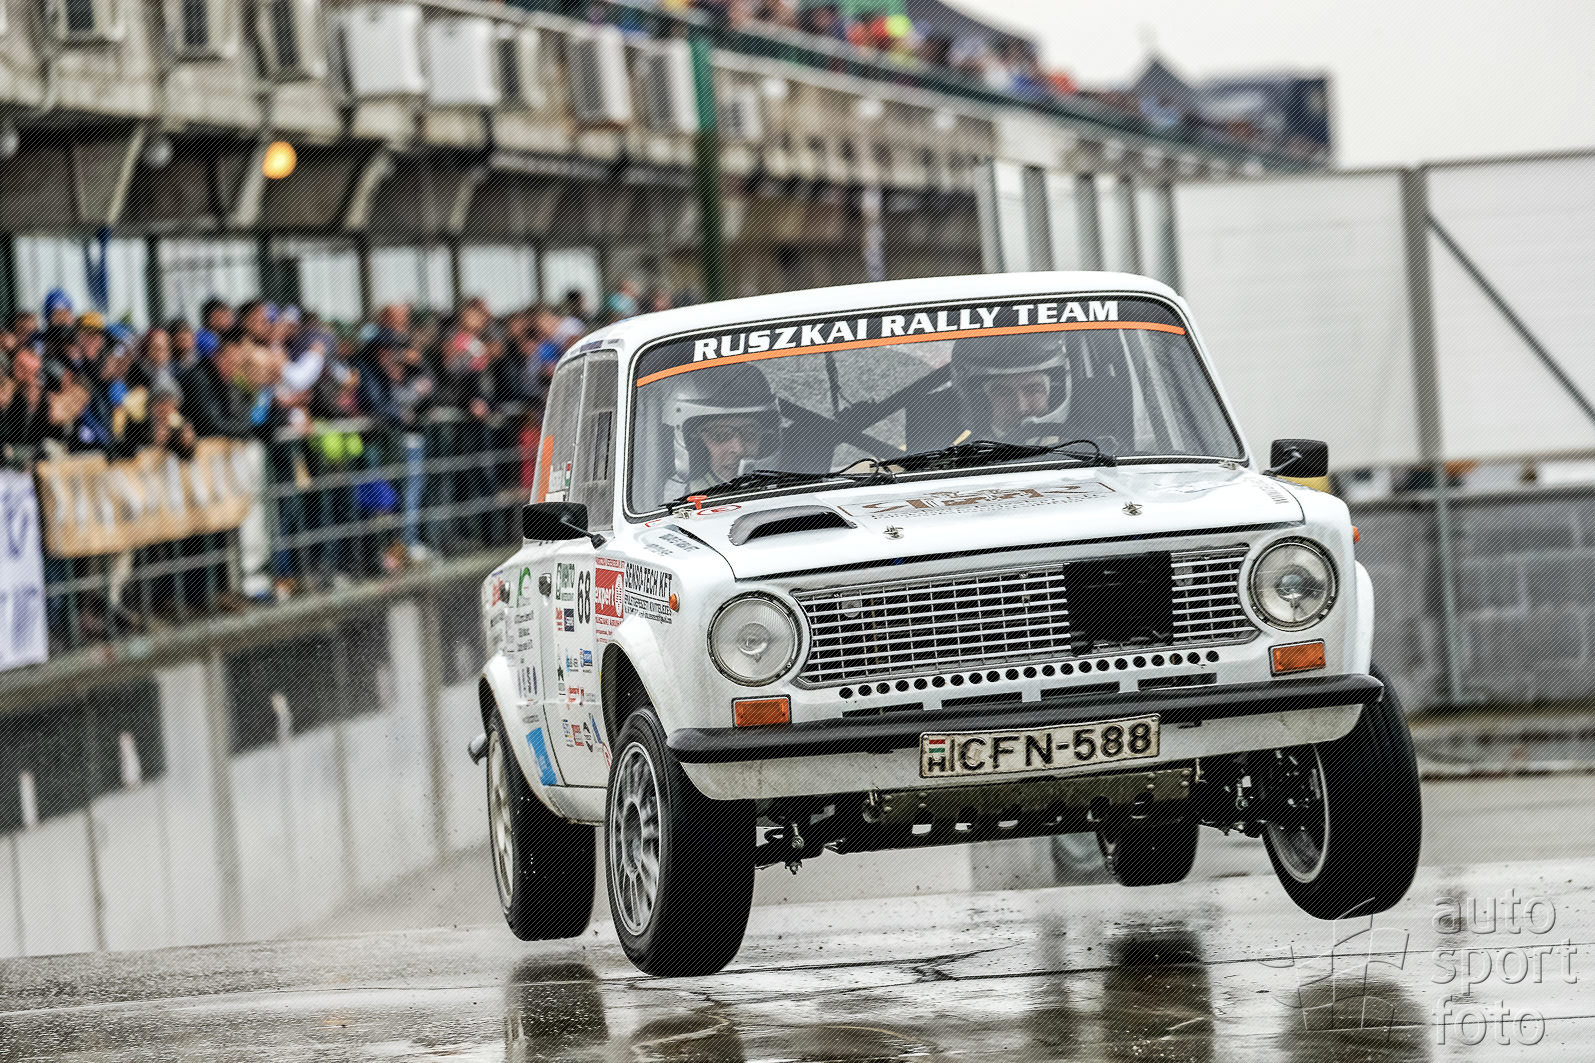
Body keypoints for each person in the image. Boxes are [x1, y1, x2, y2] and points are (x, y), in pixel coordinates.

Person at [661, 363, 783, 495]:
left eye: (750, 434)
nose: (739, 449)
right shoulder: (669, 501)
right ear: (694, 445)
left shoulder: (787, 491)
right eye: (720, 435)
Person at [946, 332, 1069, 443]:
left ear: (1053, 395)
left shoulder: (1077, 447)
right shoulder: (961, 454)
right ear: (980, 402)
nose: (1021, 407)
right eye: (1003, 393)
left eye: (1033, 390)